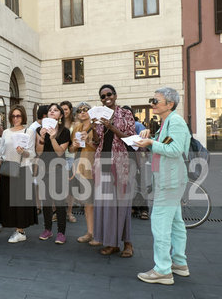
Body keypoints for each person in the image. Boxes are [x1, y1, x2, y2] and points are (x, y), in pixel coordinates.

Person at [135, 87, 191, 285]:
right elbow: (166, 146)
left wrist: (151, 141)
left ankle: (162, 270)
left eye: (156, 101)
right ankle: (179, 264)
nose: (152, 104)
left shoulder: (174, 121)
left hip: (169, 181)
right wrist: (150, 141)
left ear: (170, 104)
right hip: (169, 179)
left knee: (160, 224)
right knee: (176, 223)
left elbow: (174, 149)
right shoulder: (168, 121)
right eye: (152, 100)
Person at [92, 84, 136, 257]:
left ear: (115, 95)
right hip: (102, 161)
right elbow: (97, 141)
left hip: (121, 162)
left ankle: (128, 244)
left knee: (122, 205)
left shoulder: (125, 114)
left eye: (109, 94)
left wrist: (111, 126)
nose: (106, 98)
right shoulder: (99, 114)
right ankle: (111, 243)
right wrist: (94, 127)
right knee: (107, 206)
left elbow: (130, 138)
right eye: (102, 96)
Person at [0, 105, 37, 243]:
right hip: (7, 169)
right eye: (13, 116)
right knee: (8, 201)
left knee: (20, 202)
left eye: (18, 116)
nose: (15, 118)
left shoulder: (29, 132)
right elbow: (0, 154)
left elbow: (32, 153)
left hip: (23, 168)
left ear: (23, 116)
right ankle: (16, 229)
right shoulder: (6, 132)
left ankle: (20, 230)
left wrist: (22, 152)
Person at [36, 103, 71, 244]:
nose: (52, 112)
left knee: (60, 202)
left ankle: (61, 232)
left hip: (58, 169)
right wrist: (42, 138)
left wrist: (52, 138)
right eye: (50, 110)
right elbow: (39, 152)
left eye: (56, 110)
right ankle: (48, 229)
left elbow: (60, 152)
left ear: (60, 115)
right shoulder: (40, 129)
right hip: (44, 168)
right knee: (46, 202)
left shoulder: (65, 131)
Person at [68, 102, 99, 243]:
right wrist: (73, 146)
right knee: (87, 203)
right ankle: (90, 232)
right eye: (79, 110)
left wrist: (89, 142)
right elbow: (72, 150)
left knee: (98, 202)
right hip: (81, 168)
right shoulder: (77, 128)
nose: (82, 112)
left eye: (85, 109)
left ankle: (100, 234)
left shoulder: (97, 126)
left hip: (96, 167)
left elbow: (100, 148)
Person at [60, 101, 77, 223]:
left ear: (70, 110)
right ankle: (57, 212)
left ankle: (69, 212)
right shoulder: (56, 124)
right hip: (58, 158)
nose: (64, 111)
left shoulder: (75, 124)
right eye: (62, 109)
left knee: (70, 188)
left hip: (71, 156)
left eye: (66, 109)